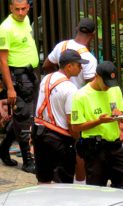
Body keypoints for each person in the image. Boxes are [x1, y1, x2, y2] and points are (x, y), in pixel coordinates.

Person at [0, 0, 39, 174]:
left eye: (24, 9)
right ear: (11, 8)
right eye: (17, 9)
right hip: (18, 77)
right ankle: (27, 160)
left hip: (30, 73)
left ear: (28, 7)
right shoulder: (5, 28)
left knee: (23, 117)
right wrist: (10, 88)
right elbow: (2, 60)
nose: (20, 12)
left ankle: (2, 149)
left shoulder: (25, 19)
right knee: (24, 117)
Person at [71, 61, 123, 189]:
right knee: (97, 187)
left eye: (111, 83)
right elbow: (76, 127)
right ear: (96, 76)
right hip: (94, 147)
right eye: (106, 83)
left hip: (115, 144)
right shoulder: (81, 96)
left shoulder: (115, 89)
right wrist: (99, 121)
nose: (108, 87)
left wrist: (120, 114)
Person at [32, 49, 87, 184]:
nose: (81, 68)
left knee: (43, 179)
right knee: (63, 182)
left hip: (39, 132)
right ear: (69, 66)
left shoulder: (47, 78)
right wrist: (77, 138)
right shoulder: (70, 89)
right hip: (59, 139)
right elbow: (70, 121)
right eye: (78, 65)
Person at [43, 18, 97, 88]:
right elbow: (91, 87)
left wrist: (58, 80)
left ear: (77, 29)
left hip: (59, 92)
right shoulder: (90, 59)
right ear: (93, 35)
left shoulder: (61, 45)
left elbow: (46, 66)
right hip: (76, 97)